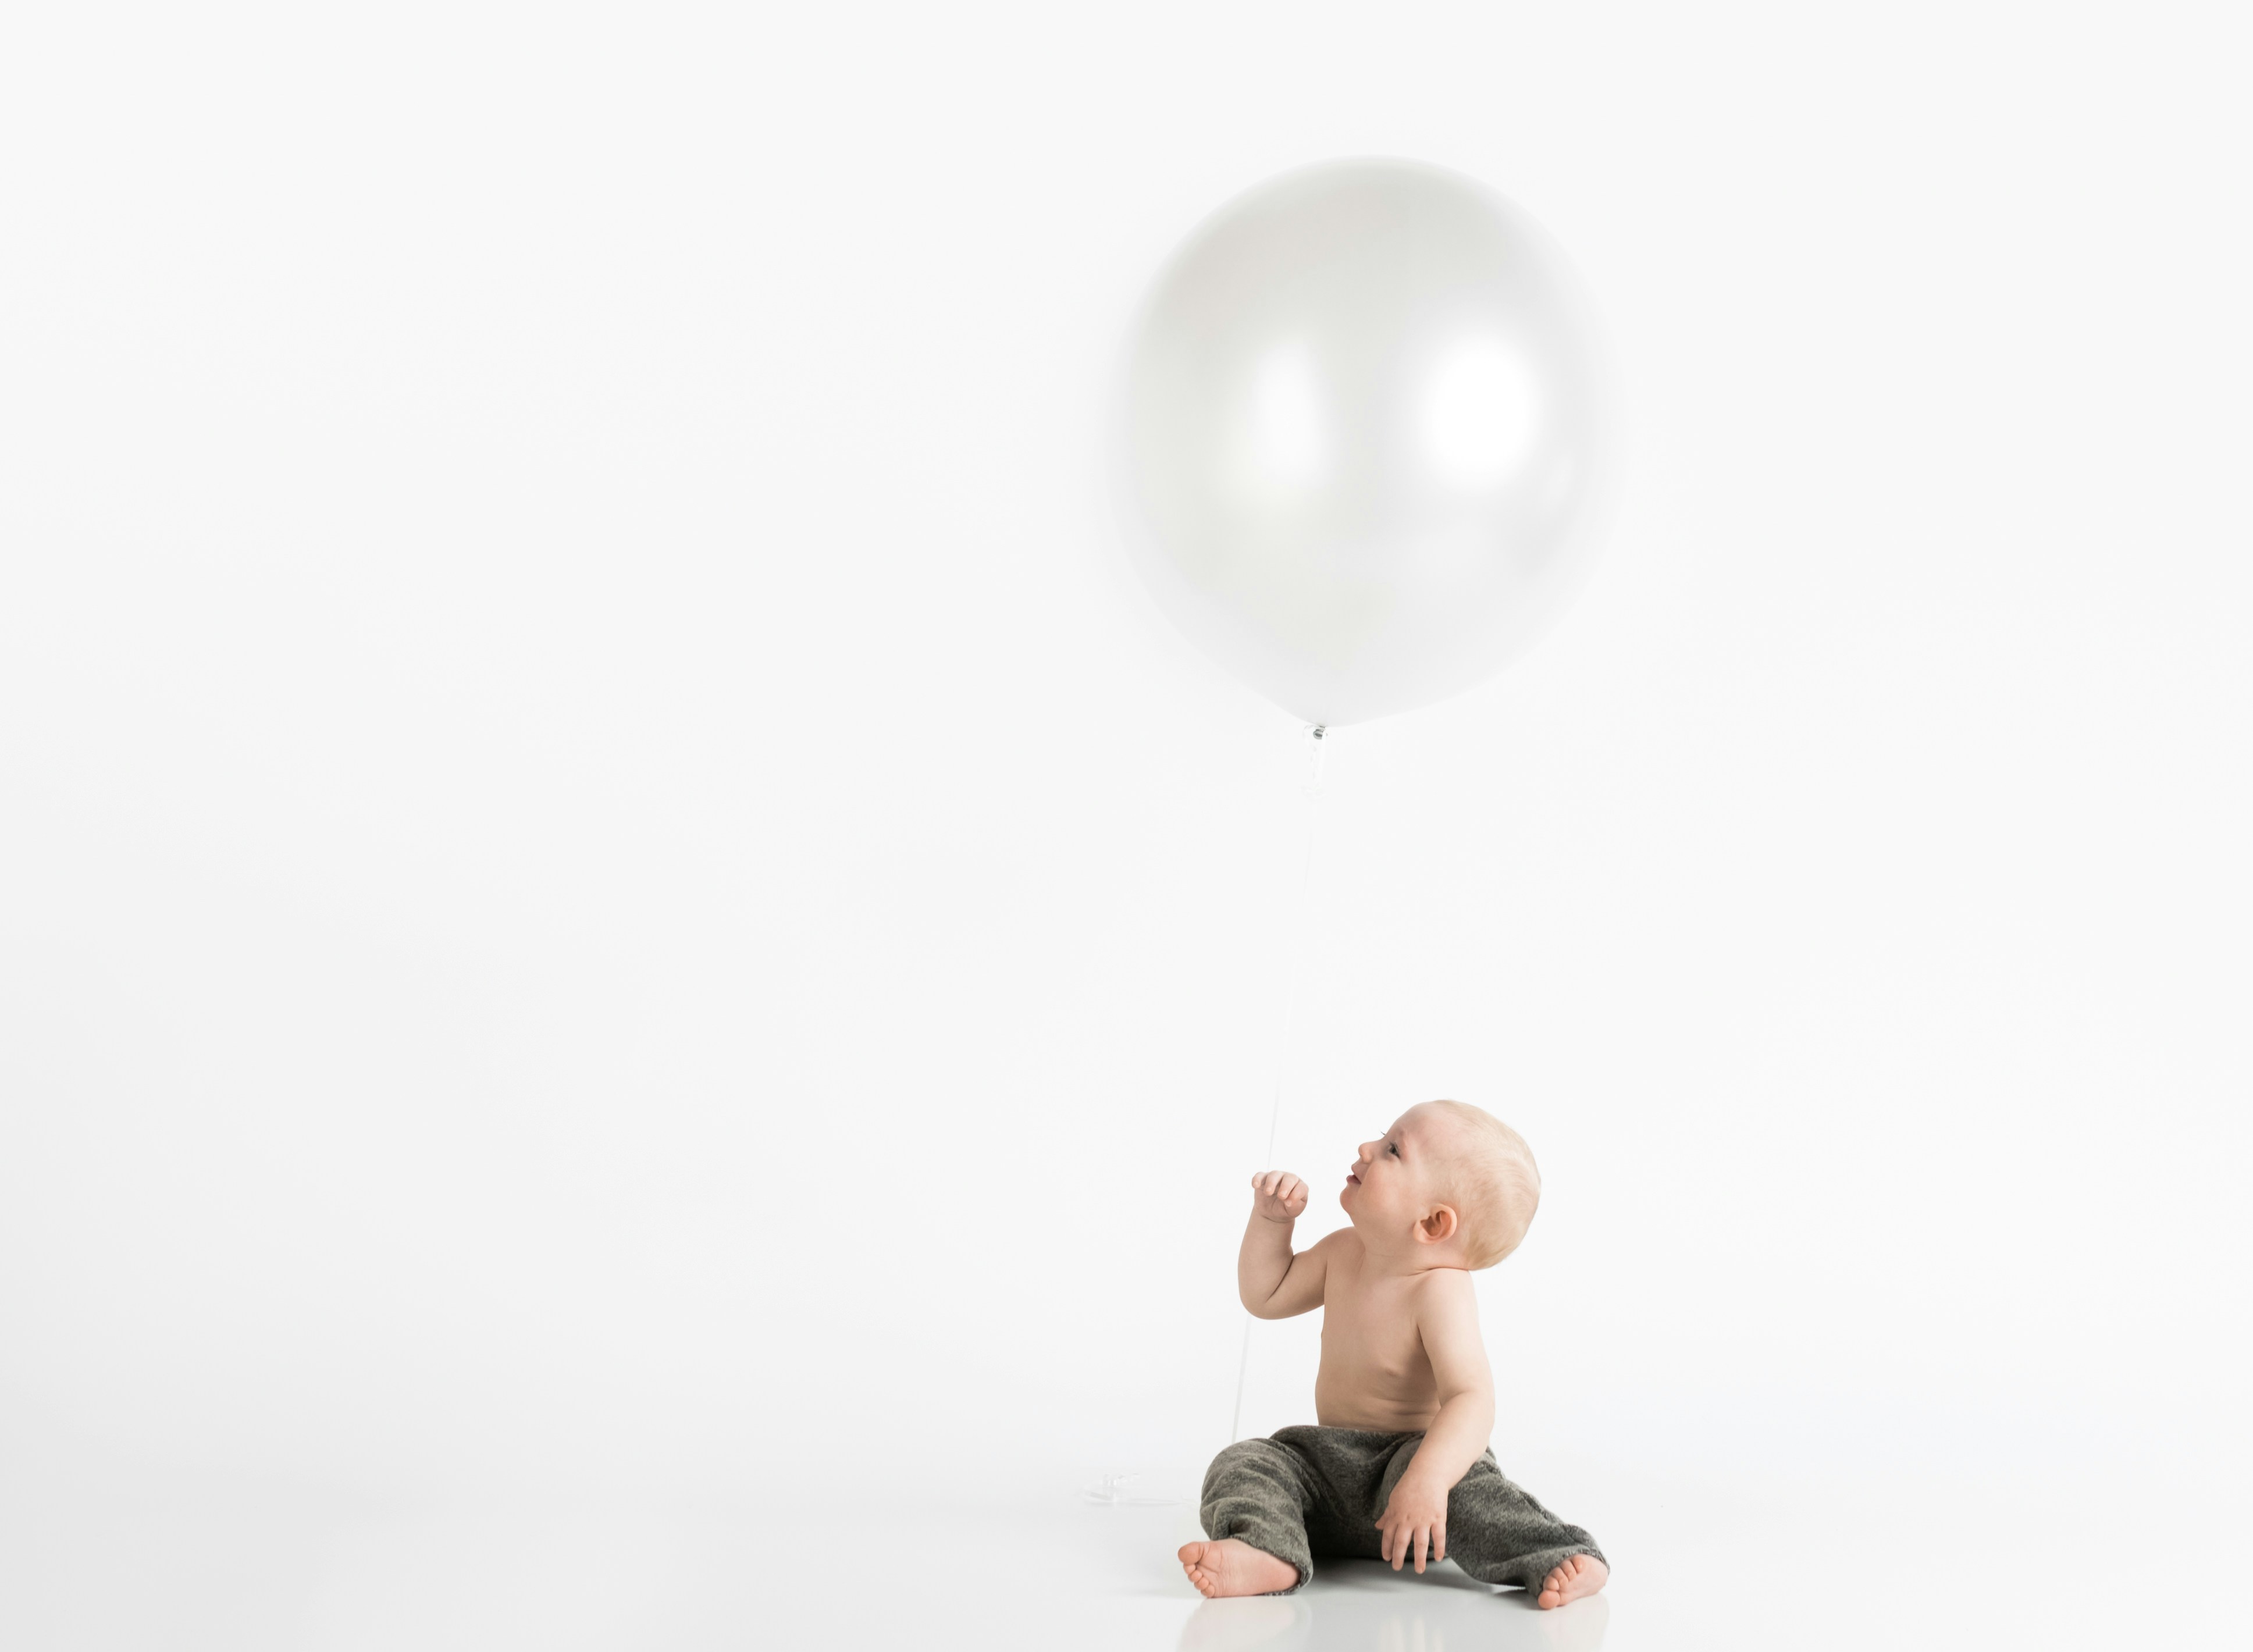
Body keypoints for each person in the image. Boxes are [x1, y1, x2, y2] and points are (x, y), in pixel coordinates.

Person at [1179, 1101, 1607, 1608]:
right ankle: (1269, 1549)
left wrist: (1429, 1479)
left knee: (1473, 1493)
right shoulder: (1341, 1251)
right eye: (1382, 1138)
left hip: (1414, 1475)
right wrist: (1271, 1223)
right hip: (1327, 1470)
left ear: (1432, 1223)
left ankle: (1554, 1552)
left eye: (1392, 1150)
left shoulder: (1439, 1291)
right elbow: (1266, 1296)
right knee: (1247, 1462)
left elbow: (1471, 1398)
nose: (1366, 1149)